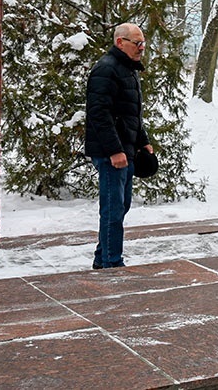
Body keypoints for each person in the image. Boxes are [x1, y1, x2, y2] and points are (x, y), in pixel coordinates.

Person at [85, 23, 153, 269]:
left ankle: (102, 258)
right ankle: (112, 263)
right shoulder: (106, 69)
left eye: (143, 42)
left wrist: (143, 141)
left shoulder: (128, 69)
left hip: (126, 149)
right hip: (111, 152)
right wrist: (114, 150)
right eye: (137, 43)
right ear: (120, 42)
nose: (142, 48)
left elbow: (130, 113)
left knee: (120, 206)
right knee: (113, 209)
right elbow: (98, 113)